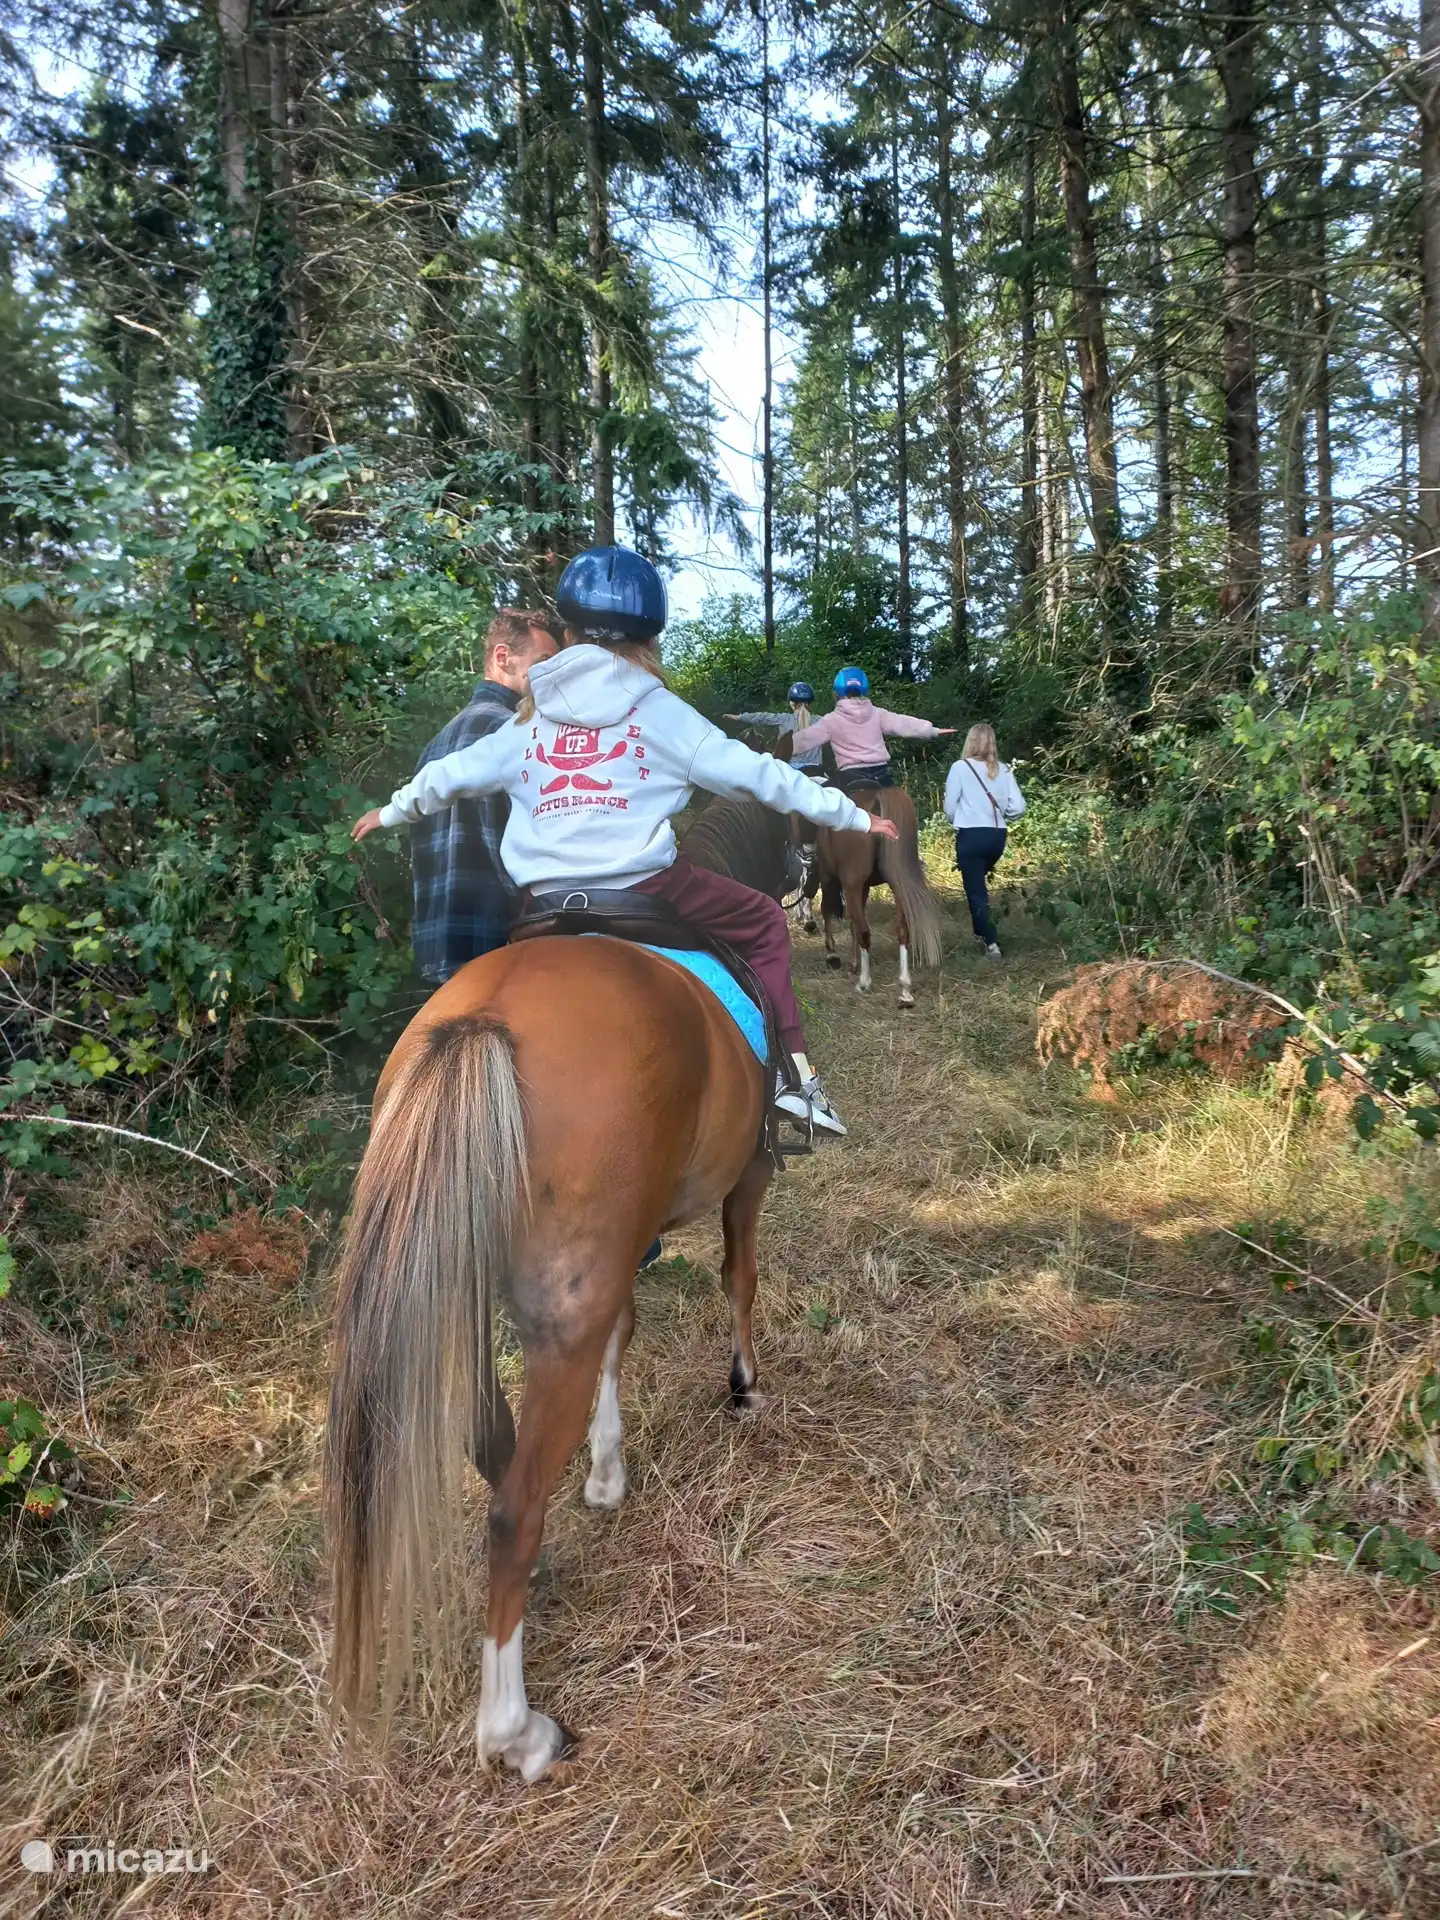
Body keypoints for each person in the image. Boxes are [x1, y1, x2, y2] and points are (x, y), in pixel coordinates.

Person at [352, 547, 900, 1140]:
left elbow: (452, 775)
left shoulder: (526, 723)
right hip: (645, 888)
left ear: (569, 631)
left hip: (544, 905)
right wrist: (851, 814)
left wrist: (392, 809)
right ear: (649, 639)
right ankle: (792, 1082)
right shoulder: (662, 712)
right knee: (766, 919)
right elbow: (760, 775)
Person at [408, 607, 560, 987]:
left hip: (440, 956)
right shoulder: (512, 733)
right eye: (543, 662)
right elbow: (512, 847)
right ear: (502, 657)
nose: (553, 676)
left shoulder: (436, 743)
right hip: (501, 949)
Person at [791, 666, 955, 796]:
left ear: (836, 693)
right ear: (865, 690)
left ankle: (801, 839)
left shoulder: (831, 720)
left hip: (849, 776)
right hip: (881, 775)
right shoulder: (877, 713)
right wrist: (932, 730)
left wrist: (780, 749)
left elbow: (805, 739)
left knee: (820, 807)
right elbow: (903, 723)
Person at [943, 723, 1026, 960]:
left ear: (970, 741)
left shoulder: (960, 768)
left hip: (971, 835)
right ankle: (980, 930)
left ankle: (991, 943)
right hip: (997, 837)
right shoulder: (1003, 769)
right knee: (978, 886)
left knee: (976, 891)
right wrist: (1004, 815)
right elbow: (1018, 807)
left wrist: (957, 818)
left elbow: (949, 808)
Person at [724, 683, 824, 773]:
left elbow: (762, 717)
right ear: (810, 703)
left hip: (790, 768)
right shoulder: (821, 721)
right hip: (816, 768)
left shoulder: (784, 719)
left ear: (792, 704)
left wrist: (739, 717)